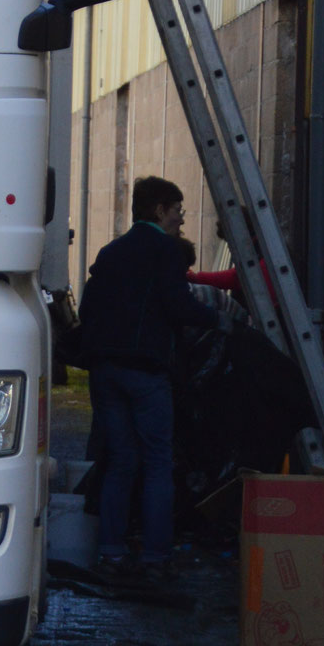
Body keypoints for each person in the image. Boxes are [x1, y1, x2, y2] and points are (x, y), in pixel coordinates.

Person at [78, 175, 214, 583]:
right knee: (157, 464)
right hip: (146, 372)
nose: (181, 221)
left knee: (120, 461)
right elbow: (180, 306)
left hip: (105, 372)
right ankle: (155, 555)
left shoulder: (110, 252)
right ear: (159, 210)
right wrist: (221, 320)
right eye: (178, 212)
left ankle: (111, 551)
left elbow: (88, 310)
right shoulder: (167, 251)